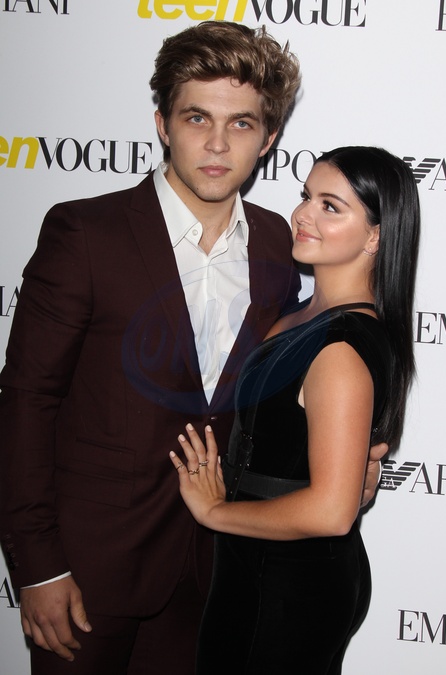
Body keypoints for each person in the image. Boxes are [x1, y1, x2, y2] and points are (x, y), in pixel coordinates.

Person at [0, 21, 383, 675]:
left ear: (267, 138)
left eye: (241, 124)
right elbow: (26, 403)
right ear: (162, 124)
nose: (216, 143)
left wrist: (345, 466)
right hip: (89, 569)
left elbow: (285, 388)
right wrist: (38, 566)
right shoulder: (86, 233)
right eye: (197, 117)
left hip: (218, 571)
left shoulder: (278, 243)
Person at [171, 146, 420, 674]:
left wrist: (214, 511)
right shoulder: (301, 317)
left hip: (290, 584)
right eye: (306, 196)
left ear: (375, 237)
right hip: (255, 568)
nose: (303, 213)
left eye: (331, 206)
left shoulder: (341, 348)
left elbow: (331, 512)